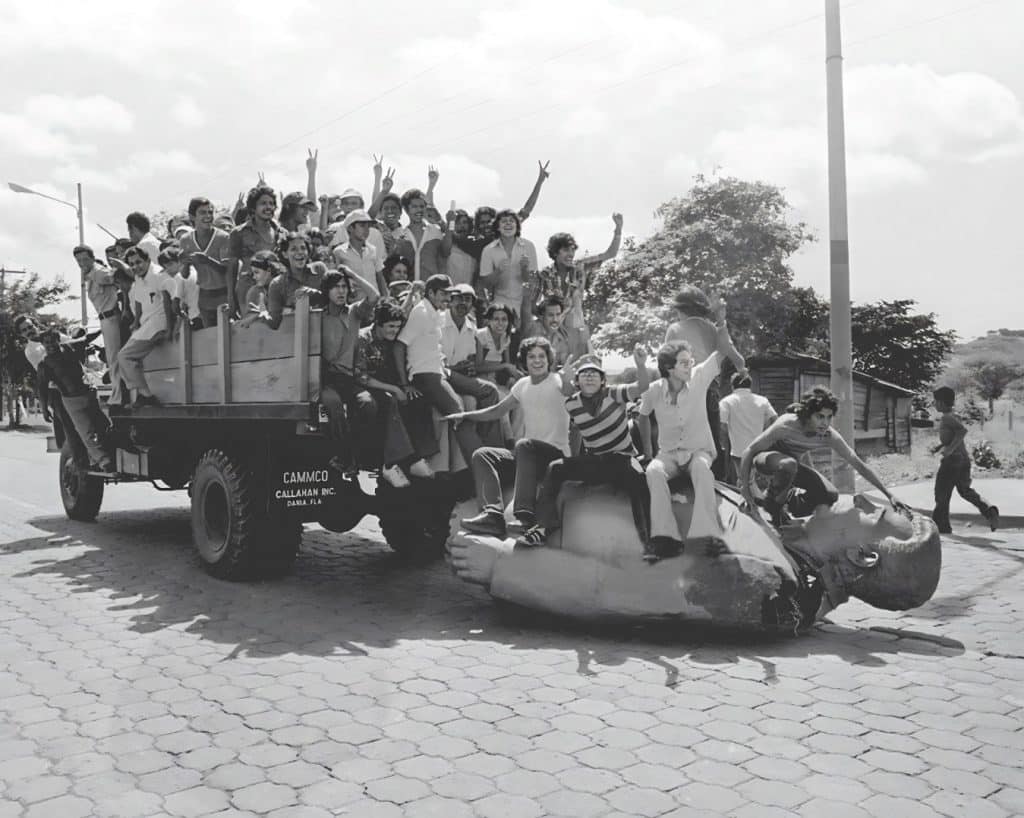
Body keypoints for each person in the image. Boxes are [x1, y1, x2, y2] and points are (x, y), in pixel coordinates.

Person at [517, 348, 652, 553]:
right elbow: (566, 393)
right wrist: (566, 380)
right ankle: (543, 527)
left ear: (603, 380)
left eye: (594, 373)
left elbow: (642, 387)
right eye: (584, 374)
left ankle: (649, 540)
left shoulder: (614, 394)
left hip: (622, 459)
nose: (589, 377)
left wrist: (641, 366)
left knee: (638, 478)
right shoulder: (572, 404)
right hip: (596, 462)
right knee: (556, 468)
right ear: (577, 381)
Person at [445, 336, 572, 538]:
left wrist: (568, 380)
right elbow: (496, 411)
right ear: (524, 360)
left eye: (542, 356)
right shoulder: (522, 385)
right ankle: (492, 514)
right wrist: (465, 415)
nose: (537, 361)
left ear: (549, 359)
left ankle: (524, 515)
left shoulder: (557, 381)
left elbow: (571, 391)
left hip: (554, 456)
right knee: (483, 454)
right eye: (532, 356)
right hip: (527, 456)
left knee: (524, 444)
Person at [738, 387, 909, 527]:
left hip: (791, 468)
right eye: (820, 417)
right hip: (766, 461)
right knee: (788, 464)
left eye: (829, 417)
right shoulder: (787, 424)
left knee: (829, 495)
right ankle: (774, 508)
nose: (825, 423)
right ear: (808, 414)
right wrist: (745, 489)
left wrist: (889, 495)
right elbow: (749, 450)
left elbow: (858, 464)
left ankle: (790, 500)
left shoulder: (828, 436)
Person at [637, 340, 732, 556]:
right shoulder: (653, 391)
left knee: (701, 469)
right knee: (653, 471)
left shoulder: (699, 377)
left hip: (699, 451)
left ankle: (708, 535)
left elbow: (723, 349)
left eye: (690, 361)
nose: (690, 365)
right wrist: (648, 452)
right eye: (684, 363)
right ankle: (665, 537)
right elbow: (643, 416)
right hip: (668, 454)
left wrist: (720, 316)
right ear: (669, 368)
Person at [395, 274, 486, 468]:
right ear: (431, 293)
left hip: (438, 372)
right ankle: (481, 467)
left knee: (466, 406)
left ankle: (470, 467)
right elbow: (399, 345)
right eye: (444, 294)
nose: (448, 299)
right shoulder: (421, 312)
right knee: (458, 412)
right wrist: (405, 384)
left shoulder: (434, 311)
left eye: (449, 294)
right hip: (425, 375)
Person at [664, 285, 747, 480]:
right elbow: (736, 359)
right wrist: (721, 322)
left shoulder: (674, 329)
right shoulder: (713, 328)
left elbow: (666, 365)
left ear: (680, 309)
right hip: (709, 390)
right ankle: (718, 480)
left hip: (684, 391)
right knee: (713, 439)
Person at [351, 299, 436, 484]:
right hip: (367, 385)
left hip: (389, 383)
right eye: (390, 326)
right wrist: (394, 389)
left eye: (397, 327)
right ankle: (390, 465)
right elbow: (361, 376)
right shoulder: (363, 339)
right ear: (378, 324)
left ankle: (419, 457)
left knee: (417, 399)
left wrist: (404, 387)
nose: (394, 331)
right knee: (388, 401)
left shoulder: (392, 339)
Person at [319, 268, 386, 478]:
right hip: (325, 379)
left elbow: (374, 296)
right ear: (326, 291)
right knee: (334, 407)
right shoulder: (318, 316)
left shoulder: (355, 312)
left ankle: (361, 458)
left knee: (368, 403)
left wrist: (352, 274)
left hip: (348, 378)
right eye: (335, 287)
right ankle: (343, 457)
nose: (341, 292)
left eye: (344, 287)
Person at [528, 213, 623, 332]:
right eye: (566, 250)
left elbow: (610, 254)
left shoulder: (580, 266)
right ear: (555, 252)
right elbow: (531, 304)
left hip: (576, 327)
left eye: (573, 250)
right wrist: (546, 320)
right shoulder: (544, 274)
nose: (571, 254)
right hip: (552, 331)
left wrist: (618, 230)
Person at [35, 330, 114, 472]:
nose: (50, 345)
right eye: (46, 343)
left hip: (89, 394)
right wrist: (44, 408)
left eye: (52, 341)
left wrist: (103, 326)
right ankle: (103, 461)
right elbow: (42, 388)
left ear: (58, 340)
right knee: (86, 432)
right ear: (42, 344)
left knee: (103, 425)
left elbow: (86, 338)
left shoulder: (71, 347)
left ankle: (111, 452)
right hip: (71, 402)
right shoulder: (44, 364)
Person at [930, 386, 999, 534]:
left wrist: (948, 450)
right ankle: (989, 511)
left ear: (941, 402)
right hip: (963, 460)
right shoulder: (954, 415)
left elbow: (962, 431)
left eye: (935, 401)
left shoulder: (947, 417)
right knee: (965, 491)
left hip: (952, 462)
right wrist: (940, 446)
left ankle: (941, 528)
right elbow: (954, 436)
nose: (934, 404)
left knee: (941, 493)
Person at [117, 246, 176, 408]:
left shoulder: (158, 275)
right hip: (147, 323)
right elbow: (139, 300)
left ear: (148, 260)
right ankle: (143, 395)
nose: (136, 267)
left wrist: (170, 328)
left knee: (125, 356)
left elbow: (169, 301)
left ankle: (146, 395)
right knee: (125, 357)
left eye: (139, 262)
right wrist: (136, 321)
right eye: (132, 264)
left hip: (158, 323)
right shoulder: (138, 278)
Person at [441, 283, 501, 445]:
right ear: (450, 301)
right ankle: (492, 445)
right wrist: (455, 368)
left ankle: (486, 445)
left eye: (467, 300)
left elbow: (472, 359)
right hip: (440, 375)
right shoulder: (438, 321)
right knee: (490, 390)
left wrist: (470, 367)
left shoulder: (472, 328)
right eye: (458, 299)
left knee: (482, 397)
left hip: (458, 378)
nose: (463, 303)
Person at [73, 244, 124, 405]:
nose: (82, 263)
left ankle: (118, 396)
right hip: (105, 318)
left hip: (111, 316)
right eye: (79, 260)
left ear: (93, 258)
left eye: (85, 259)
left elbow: (119, 279)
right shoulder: (90, 276)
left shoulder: (98, 272)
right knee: (111, 358)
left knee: (114, 359)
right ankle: (118, 394)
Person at [227, 184, 284, 317]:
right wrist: (230, 298)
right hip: (248, 288)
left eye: (271, 203)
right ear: (253, 207)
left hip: (275, 289)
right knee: (252, 332)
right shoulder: (239, 232)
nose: (268, 207)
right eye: (263, 203)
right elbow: (232, 267)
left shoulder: (281, 232)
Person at [478, 209, 537, 327]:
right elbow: (486, 284)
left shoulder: (529, 246)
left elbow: (531, 281)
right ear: (498, 227)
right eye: (504, 221)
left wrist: (525, 269)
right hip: (500, 304)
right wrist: (498, 271)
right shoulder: (488, 250)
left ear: (517, 226)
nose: (508, 224)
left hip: (524, 303)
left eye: (512, 221)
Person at [179, 196, 231, 327]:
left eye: (210, 212)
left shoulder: (223, 237)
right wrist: (185, 262)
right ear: (192, 217)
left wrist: (207, 260)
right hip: (204, 296)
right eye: (202, 212)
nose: (208, 216)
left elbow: (226, 270)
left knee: (227, 336)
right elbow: (184, 274)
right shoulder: (185, 240)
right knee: (211, 338)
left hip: (224, 294)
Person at [719, 372, 777, 483]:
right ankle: (756, 497)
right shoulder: (762, 400)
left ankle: (748, 498)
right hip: (759, 448)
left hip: (739, 450)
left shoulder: (727, 401)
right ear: (750, 385)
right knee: (755, 480)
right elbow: (775, 419)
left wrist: (733, 434)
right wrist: (765, 433)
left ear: (732, 385)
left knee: (743, 479)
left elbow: (722, 425)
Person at [267, 234, 326, 329]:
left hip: (323, 329)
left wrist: (316, 294)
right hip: (293, 334)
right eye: (293, 249)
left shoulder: (320, 269)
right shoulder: (277, 284)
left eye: (303, 248)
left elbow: (333, 300)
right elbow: (275, 322)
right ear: (284, 254)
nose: (300, 252)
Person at [394, 188, 450, 281]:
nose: (419, 210)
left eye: (422, 206)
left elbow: (446, 252)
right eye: (414, 207)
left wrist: (448, 223)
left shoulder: (435, 230)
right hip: (408, 289)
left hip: (431, 289)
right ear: (406, 209)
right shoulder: (399, 234)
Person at [526, 294, 591, 367]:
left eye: (558, 315)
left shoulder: (564, 337)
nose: (555, 319)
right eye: (550, 315)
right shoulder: (534, 334)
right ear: (542, 317)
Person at [333, 209, 385, 293]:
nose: (366, 230)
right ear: (350, 228)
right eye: (362, 225)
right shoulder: (339, 252)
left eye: (368, 226)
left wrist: (385, 298)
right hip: (353, 302)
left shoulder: (373, 250)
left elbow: (380, 277)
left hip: (374, 301)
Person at [236, 251, 286, 328]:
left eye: (256, 272)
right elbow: (249, 319)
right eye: (253, 273)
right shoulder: (255, 292)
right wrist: (257, 316)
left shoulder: (286, 285)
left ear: (269, 270)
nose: (254, 277)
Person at [158, 247, 200, 331]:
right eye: (165, 267)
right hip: (207, 313)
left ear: (179, 261)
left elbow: (175, 307)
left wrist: (183, 317)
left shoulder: (179, 277)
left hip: (195, 317)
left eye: (170, 264)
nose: (168, 270)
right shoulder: (197, 270)